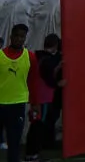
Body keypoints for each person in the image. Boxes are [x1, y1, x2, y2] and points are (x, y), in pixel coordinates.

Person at [23, 34, 57, 162]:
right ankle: (33, 154)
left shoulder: (36, 57)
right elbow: (49, 78)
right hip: (43, 97)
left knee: (36, 124)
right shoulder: (46, 59)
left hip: (36, 96)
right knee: (38, 125)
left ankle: (31, 153)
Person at [0, 25, 30, 162]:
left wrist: (36, 103)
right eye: (16, 35)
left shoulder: (30, 57)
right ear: (11, 37)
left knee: (14, 142)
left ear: (25, 38)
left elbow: (33, 81)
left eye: (22, 36)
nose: (19, 39)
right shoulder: (0, 55)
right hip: (0, 103)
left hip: (18, 104)